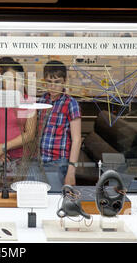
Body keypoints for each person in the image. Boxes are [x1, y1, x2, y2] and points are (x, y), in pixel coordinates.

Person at [37, 60, 82, 191]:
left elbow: (77, 140)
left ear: (64, 81)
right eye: (49, 82)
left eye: (57, 82)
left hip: (58, 162)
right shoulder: (42, 100)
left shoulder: (70, 103)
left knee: (55, 199)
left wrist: (71, 170)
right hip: (40, 161)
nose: (53, 86)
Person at [0, 58, 37, 176]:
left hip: (20, 159)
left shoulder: (29, 101)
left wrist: (3, 147)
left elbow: (30, 134)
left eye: (17, 80)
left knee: (18, 192)